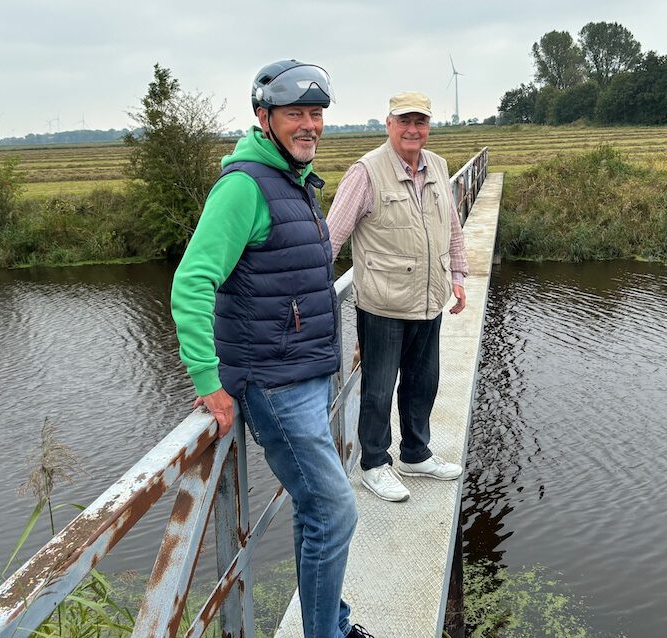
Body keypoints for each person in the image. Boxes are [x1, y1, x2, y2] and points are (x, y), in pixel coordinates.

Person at [171, 60, 371, 638]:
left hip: (305, 374)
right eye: (295, 115)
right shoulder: (243, 187)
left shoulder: (293, 179)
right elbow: (192, 282)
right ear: (264, 118)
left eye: (316, 114)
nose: (309, 124)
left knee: (316, 512)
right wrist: (208, 379)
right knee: (336, 510)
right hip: (276, 386)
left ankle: (327, 622)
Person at [326, 91, 468, 503]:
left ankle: (415, 454)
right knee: (379, 388)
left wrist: (457, 275)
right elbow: (331, 239)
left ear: (428, 126)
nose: (412, 129)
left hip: (429, 299)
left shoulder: (438, 166)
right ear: (389, 124)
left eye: (420, 121)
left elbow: (453, 228)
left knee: (424, 383)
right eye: (404, 121)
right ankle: (374, 463)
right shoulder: (366, 172)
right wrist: (313, 294)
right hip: (384, 304)